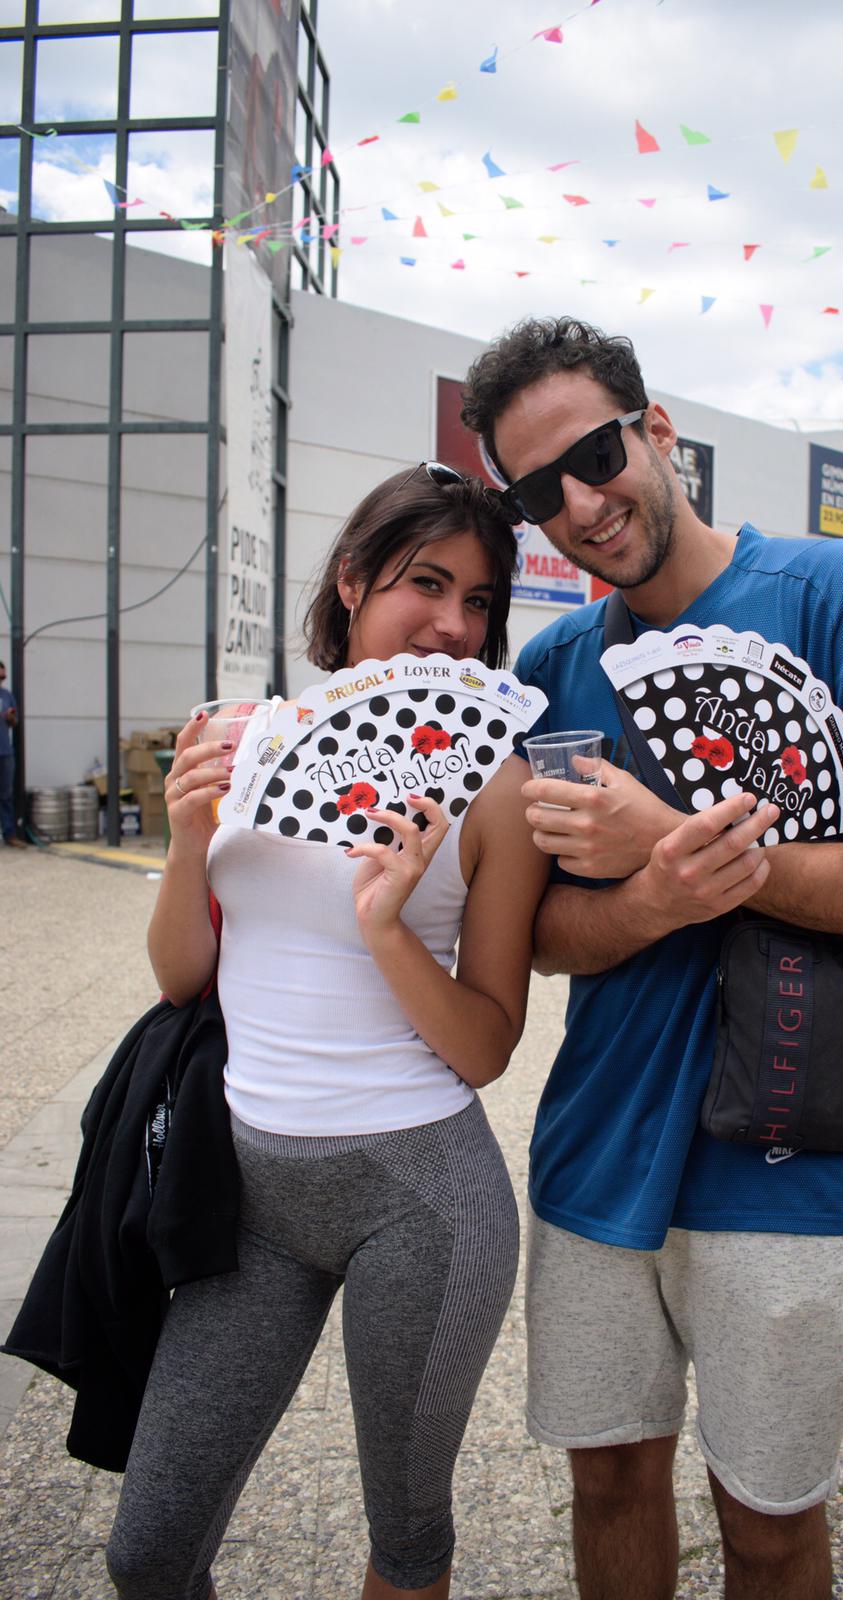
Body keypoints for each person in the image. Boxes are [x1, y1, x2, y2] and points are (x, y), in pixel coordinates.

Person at [460, 316, 843, 1600]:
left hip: (790, 1152)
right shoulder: (551, 668)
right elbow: (536, 938)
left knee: (766, 1521)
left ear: (658, 431)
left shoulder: (839, 597)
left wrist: (690, 851)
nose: (584, 505)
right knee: (606, 1486)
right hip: (598, 1151)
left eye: (599, 454)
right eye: (542, 489)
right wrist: (650, 896)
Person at [105, 465, 549, 1600]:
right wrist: (188, 836)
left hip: (422, 1196)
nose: (454, 623)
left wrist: (389, 926)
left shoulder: (492, 785)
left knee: (405, 1537)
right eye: (426, 582)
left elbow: (489, 1044)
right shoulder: (234, 736)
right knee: (148, 1551)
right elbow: (180, 973)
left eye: (482, 600)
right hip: (245, 1190)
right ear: (352, 580)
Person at [0, 660, 26, 848]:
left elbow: (14, 722)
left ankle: (9, 833)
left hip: (5, 751)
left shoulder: (7, 696)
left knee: (6, 794)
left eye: (3, 677)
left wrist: (10, 718)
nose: (1, 679)